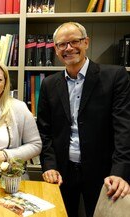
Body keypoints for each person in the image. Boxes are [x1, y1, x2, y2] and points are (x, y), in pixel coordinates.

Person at [37, 22, 130, 217]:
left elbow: (124, 128)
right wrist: (50, 166)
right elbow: (45, 131)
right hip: (62, 171)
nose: (68, 48)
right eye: (62, 44)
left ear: (86, 42)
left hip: (104, 172)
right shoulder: (48, 84)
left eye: (74, 41)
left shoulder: (115, 76)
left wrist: (120, 172)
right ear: (55, 49)